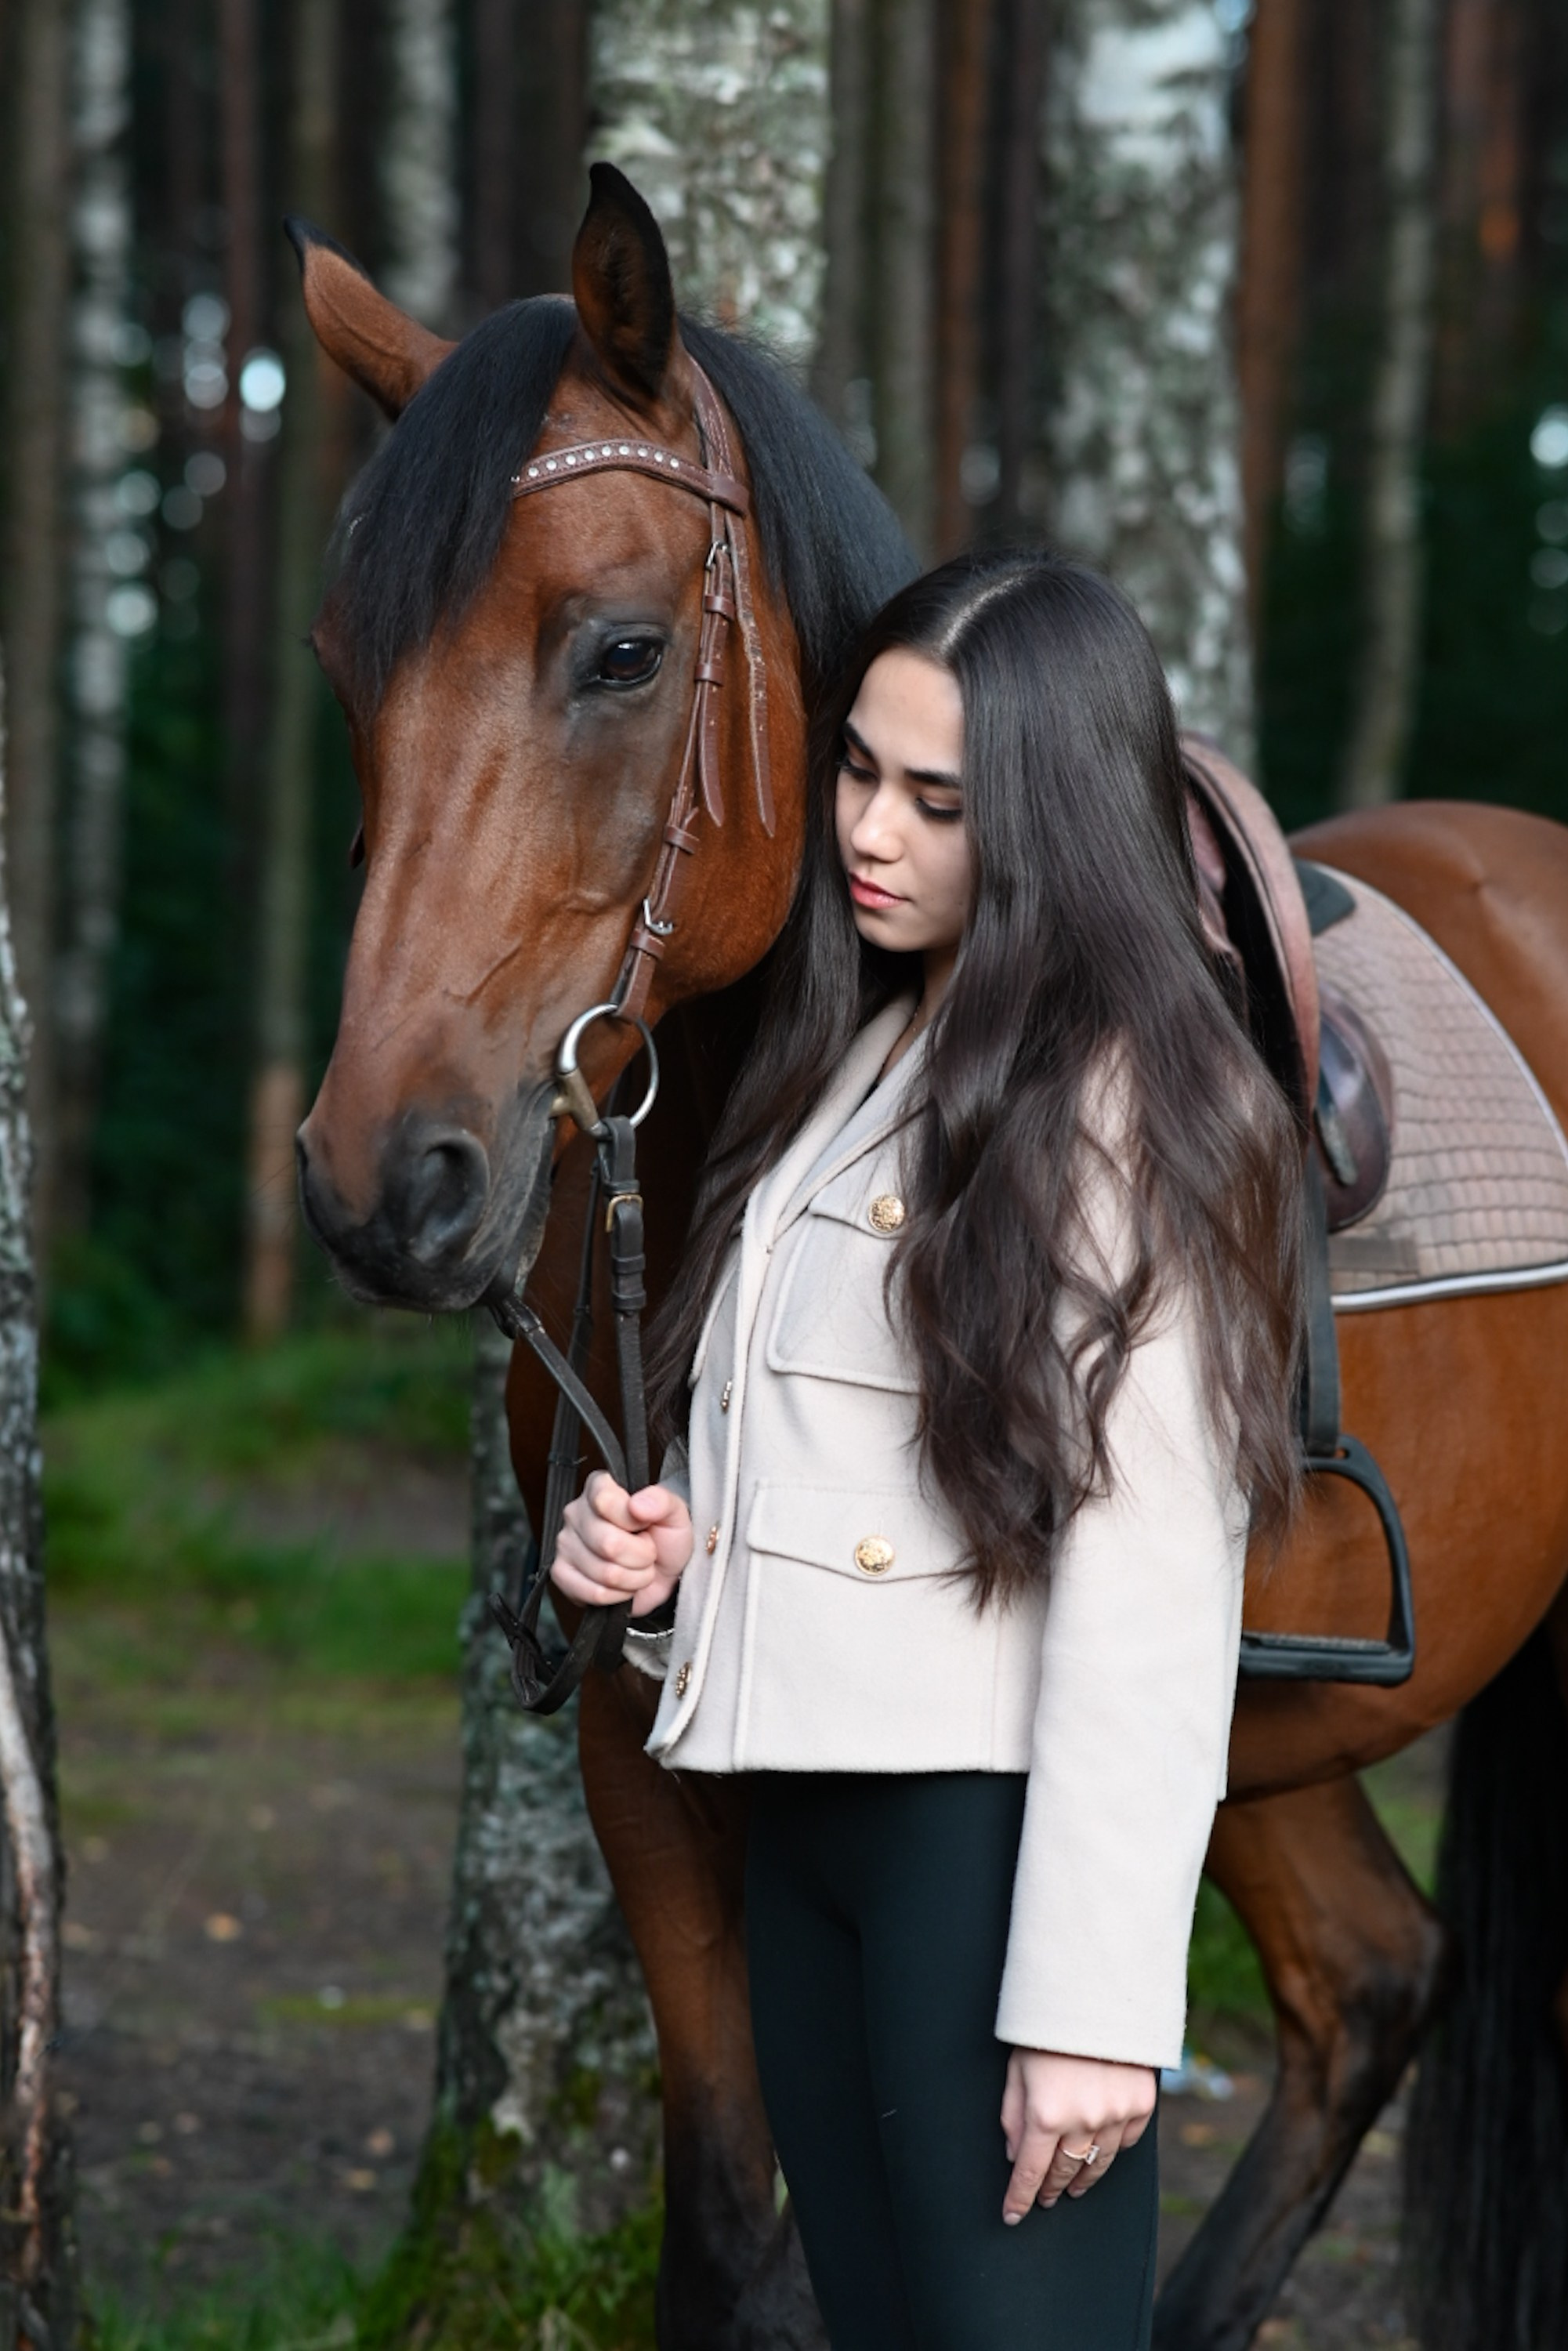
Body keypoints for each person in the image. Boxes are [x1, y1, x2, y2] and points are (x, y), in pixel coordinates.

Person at [549, 550, 1302, 2349]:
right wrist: (671, 1563)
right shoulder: (865, 1043)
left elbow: (1150, 1588)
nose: (869, 831)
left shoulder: (1131, 1102)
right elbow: (851, 1469)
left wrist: (1094, 2009)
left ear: (1044, 816)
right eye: (859, 772)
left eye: (936, 800)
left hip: (982, 1852)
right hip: (807, 1828)